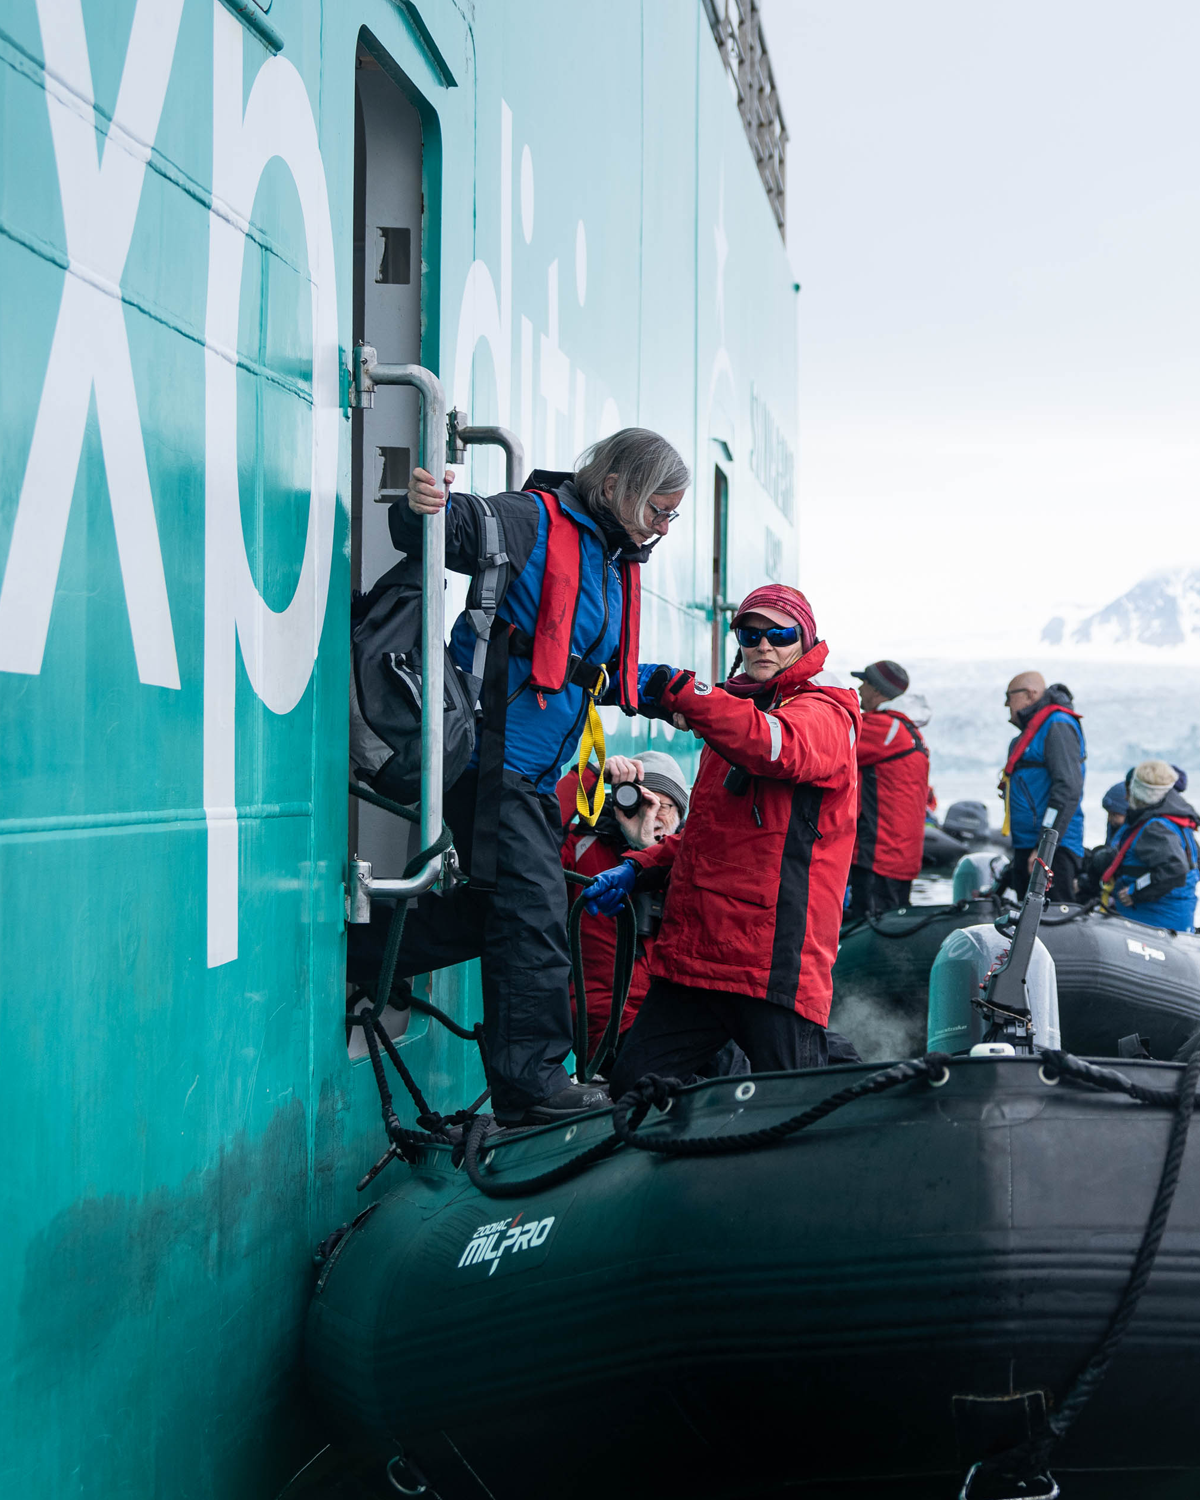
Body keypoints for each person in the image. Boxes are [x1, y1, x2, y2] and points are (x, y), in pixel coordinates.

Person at [347, 429, 690, 1125]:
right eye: (659, 509)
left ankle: (351, 950)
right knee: (533, 914)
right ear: (617, 486)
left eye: (672, 515)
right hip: (491, 762)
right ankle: (532, 1088)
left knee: (492, 915)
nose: (663, 526)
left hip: (528, 775)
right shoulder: (532, 520)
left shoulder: (608, 558)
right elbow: (443, 527)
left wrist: (682, 696)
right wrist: (421, 504)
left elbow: (595, 669)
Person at [584, 584, 861, 1092]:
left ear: (805, 639)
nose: (763, 645)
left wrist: (681, 691)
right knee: (634, 1090)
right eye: (750, 635)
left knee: (793, 1104)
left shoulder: (824, 711)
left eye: (779, 634)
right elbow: (706, 836)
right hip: (696, 960)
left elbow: (776, 746)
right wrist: (637, 867)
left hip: (769, 964)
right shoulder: (738, 712)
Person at [558, 751, 689, 1064]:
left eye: (663, 806)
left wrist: (647, 852)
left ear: (681, 812)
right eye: (641, 802)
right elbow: (533, 837)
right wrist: (588, 775)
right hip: (608, 1024)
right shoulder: (581, 846)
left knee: (735, 1074)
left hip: (683, 1020)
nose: (651, 814)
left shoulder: (690, 858)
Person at [846, 659, 929, 920]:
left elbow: (827, 744)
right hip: (900, 855)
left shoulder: (882, 728)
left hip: (879, 854)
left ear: (878, 690)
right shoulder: (906, 729)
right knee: (892, 923)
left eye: (864, 683)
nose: (859, 689)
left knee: (868, 924)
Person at [998, 671, 1085, 900]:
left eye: (1009, 696)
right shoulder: (1033, 732)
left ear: (1030, 694)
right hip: (1028, 844)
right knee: (1025, 914)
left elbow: (1067, 788)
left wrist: (1045, 847)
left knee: (1051, 915)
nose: (1006, 704)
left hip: (1053, 848)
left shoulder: (1057, 725)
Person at [1099, 760, 1199, 931]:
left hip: (1154, 921)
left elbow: (1175, 869)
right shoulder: (1177, 822)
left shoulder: (1155, 828)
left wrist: (1135, 891)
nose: (1126, 797)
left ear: (1140, 793)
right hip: (1175, 917)